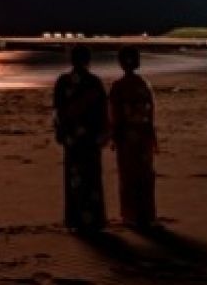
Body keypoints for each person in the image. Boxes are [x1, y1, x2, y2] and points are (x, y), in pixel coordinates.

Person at [52, 43, 109, 233]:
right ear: (88, 60)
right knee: (92, 177)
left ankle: (75, 218)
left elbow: (57, 111)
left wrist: (60, 133)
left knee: (74, 177)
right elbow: (103, 112)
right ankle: (93, 219)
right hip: (90, 138)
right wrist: (104, 134)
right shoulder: (94, 82)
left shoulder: (63, 81)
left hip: (72, 139)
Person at [108, 44, 158, 229]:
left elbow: (114, 114)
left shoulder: (118, 86)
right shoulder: (144, 84)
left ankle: (131, 215)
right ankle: (146, 214)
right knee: (145, 174)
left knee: (128, 175)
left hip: (127, 135)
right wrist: (152, 133)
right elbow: (150, 112)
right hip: (143, 133)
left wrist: (113, 134)